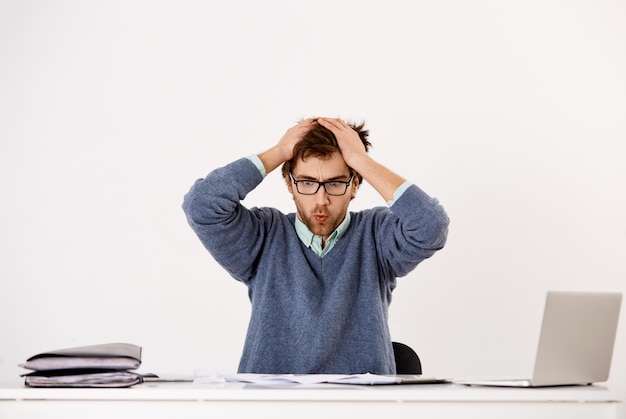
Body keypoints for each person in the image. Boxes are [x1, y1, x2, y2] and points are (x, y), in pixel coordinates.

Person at [182, 117, 449, 375]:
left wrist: (360, 160)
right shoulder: (262, 235)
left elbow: (431, 225)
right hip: (271, 407)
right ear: (289, 183)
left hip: (361, 408)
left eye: (335, 183)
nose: (321, 199)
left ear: (354, 184)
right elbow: (201, 205)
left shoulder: (377, 235)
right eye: (307, 182)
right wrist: (280, 151)